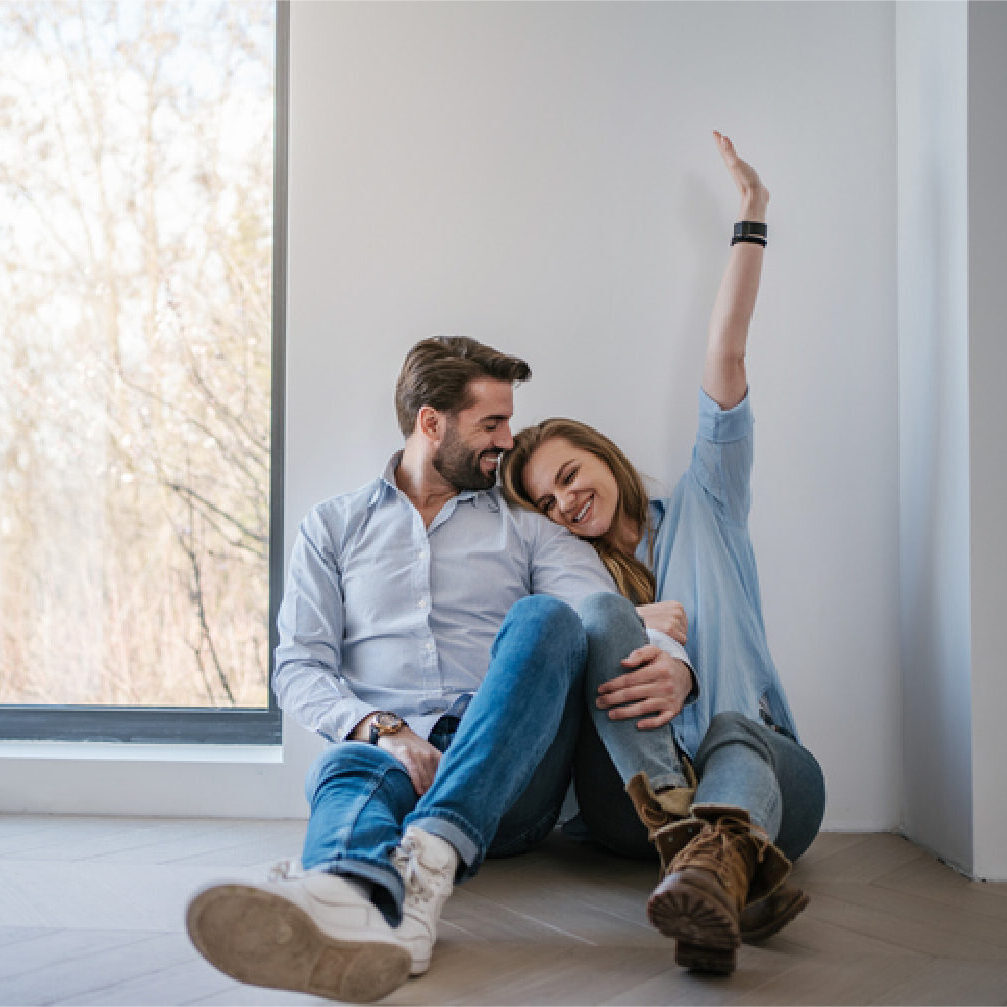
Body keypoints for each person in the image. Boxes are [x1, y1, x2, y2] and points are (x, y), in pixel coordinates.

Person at [184, 335, 689, 1002]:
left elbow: (597, 617)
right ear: (431, 422)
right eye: (491, 422)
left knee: (544, 619)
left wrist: (676, 658)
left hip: (507, 772)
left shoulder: (529, 529)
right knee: (347, 760)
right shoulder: (331, 528)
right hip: (393, 755)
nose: (507, 439)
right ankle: (353, 900)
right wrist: (381, 724)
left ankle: (413, 857)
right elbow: (299, 665)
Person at [499, 132, 826, 975]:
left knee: (732, 728)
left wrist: (750, 219)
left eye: (569, 474)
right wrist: (640, 628)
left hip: (766, 767)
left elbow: (725, 355)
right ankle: (715, 855)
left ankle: (706, 875)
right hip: (628, 800)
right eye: (546, 499)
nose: (566, 500)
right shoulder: (572, 576)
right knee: (603, 614)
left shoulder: (706, 503)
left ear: (600, 455)